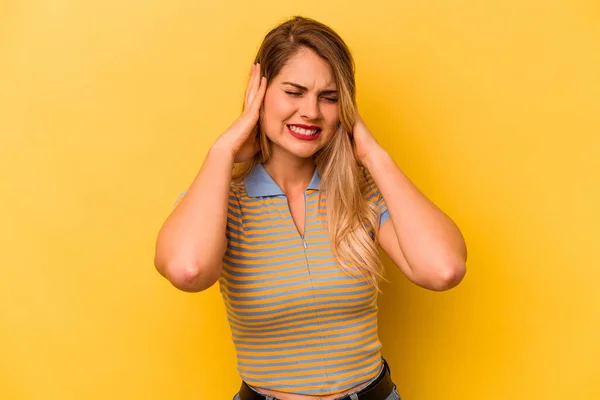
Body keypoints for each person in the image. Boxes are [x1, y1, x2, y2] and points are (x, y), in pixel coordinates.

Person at [154, 15, 467, 400]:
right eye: (294, 91)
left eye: (329, 97)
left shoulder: (361, 192)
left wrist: (372, 153)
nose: (312, 112)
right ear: (260, 95)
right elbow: (188, 271)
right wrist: (224, 151)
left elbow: (443, 269)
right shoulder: (220, 199)